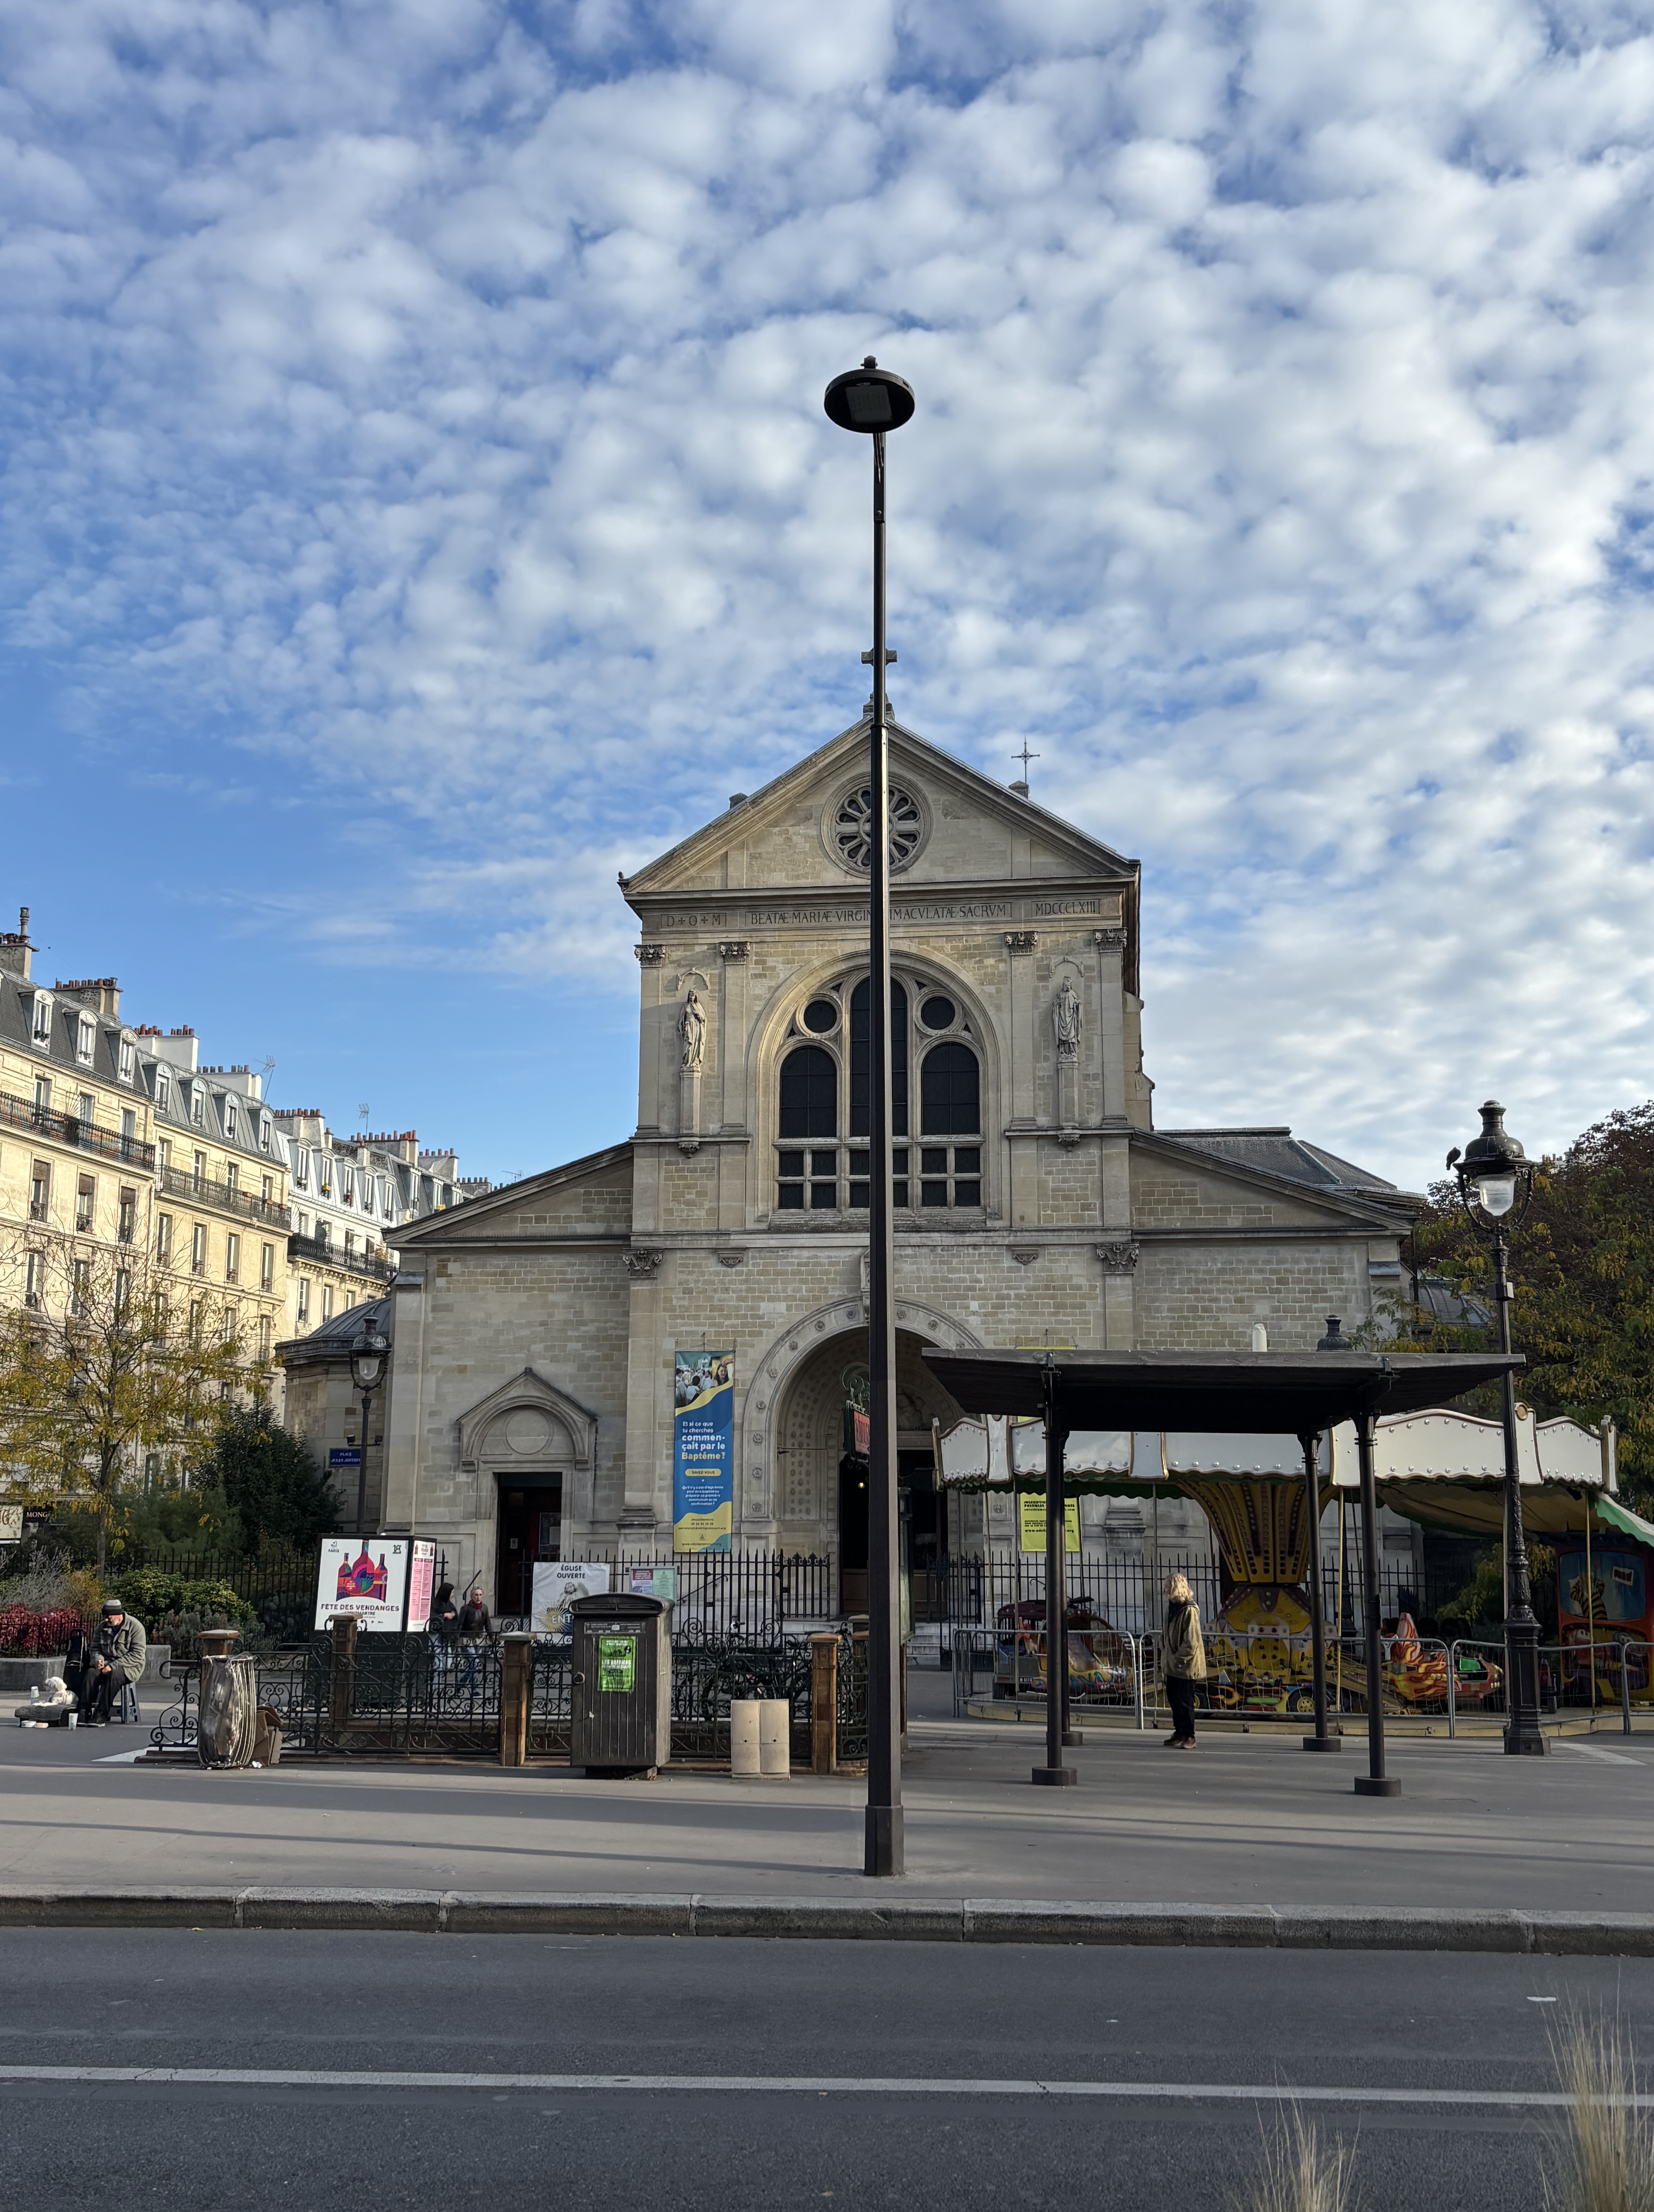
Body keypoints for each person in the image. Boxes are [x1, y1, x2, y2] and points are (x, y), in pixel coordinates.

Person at [82, 1598, 147, 1726]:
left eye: (109, 1617)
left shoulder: (136, 1627)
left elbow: (137, 1655)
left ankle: (101, 1713)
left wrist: (113, 1666)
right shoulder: (102, 1628)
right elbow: (95, 1649)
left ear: (118, 1615)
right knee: (91, 1673)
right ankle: (84, 1710)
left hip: (130, 1667)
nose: (106, 1620)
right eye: (105, 1617)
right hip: (107, 1664)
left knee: (114, 1675)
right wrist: (98, 1660)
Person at [1162, 1571, 1206, 1749]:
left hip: (1186, 1666)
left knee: (1185, 1701)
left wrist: (1177, 1659)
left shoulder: (1189, 1610)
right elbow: (1167, 1631)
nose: (1165, 1590)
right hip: (1172, 1664)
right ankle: (1179, 1732)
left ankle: (1189, 1735)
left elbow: (1191, 1642)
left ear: (1175, 1588)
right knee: (1174, 1699)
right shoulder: (1172, 1608)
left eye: (1167, 1587)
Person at [456, 1586, 492, 1698]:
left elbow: (488, 1624)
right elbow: (460, 1624)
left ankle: (460, 1684)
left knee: (474, 1665)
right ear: (472, 1596)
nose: (478, 1597)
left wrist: (492, 1637)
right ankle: (474, 1690)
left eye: (480, 1595)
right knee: (474, 1663)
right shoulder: (466, 1608)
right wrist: (456, 1639)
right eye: (476, 1595)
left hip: (479, 1640)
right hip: (467, 1640)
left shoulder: (484, 1608)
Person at [428, 1581, 459, 1702]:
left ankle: (438, 1686)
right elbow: (431, 1617)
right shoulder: (435, 1603)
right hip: (436, 1635)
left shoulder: (450, 1604)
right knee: (438, 1664)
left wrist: (452, 1616)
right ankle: (435, 1689)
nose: (453, 1594)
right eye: (451, 1592)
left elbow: (455, 1617)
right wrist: (444, 1616)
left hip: (446, 1637)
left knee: (447, 1663)